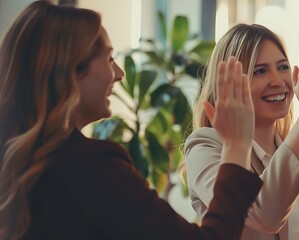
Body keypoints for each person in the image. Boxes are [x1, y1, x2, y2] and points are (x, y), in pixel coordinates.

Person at [0, 1, 262, 239]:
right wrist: (237, 146)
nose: (119, 73)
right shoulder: (92, 168)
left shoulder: (17, 156)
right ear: (71, 70)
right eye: (109, 58)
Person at [181, 24, 299, 240]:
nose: (278, 81)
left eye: (283, 67)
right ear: (230, 83)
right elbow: (264, 215)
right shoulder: (205, 149)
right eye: (260, 71)